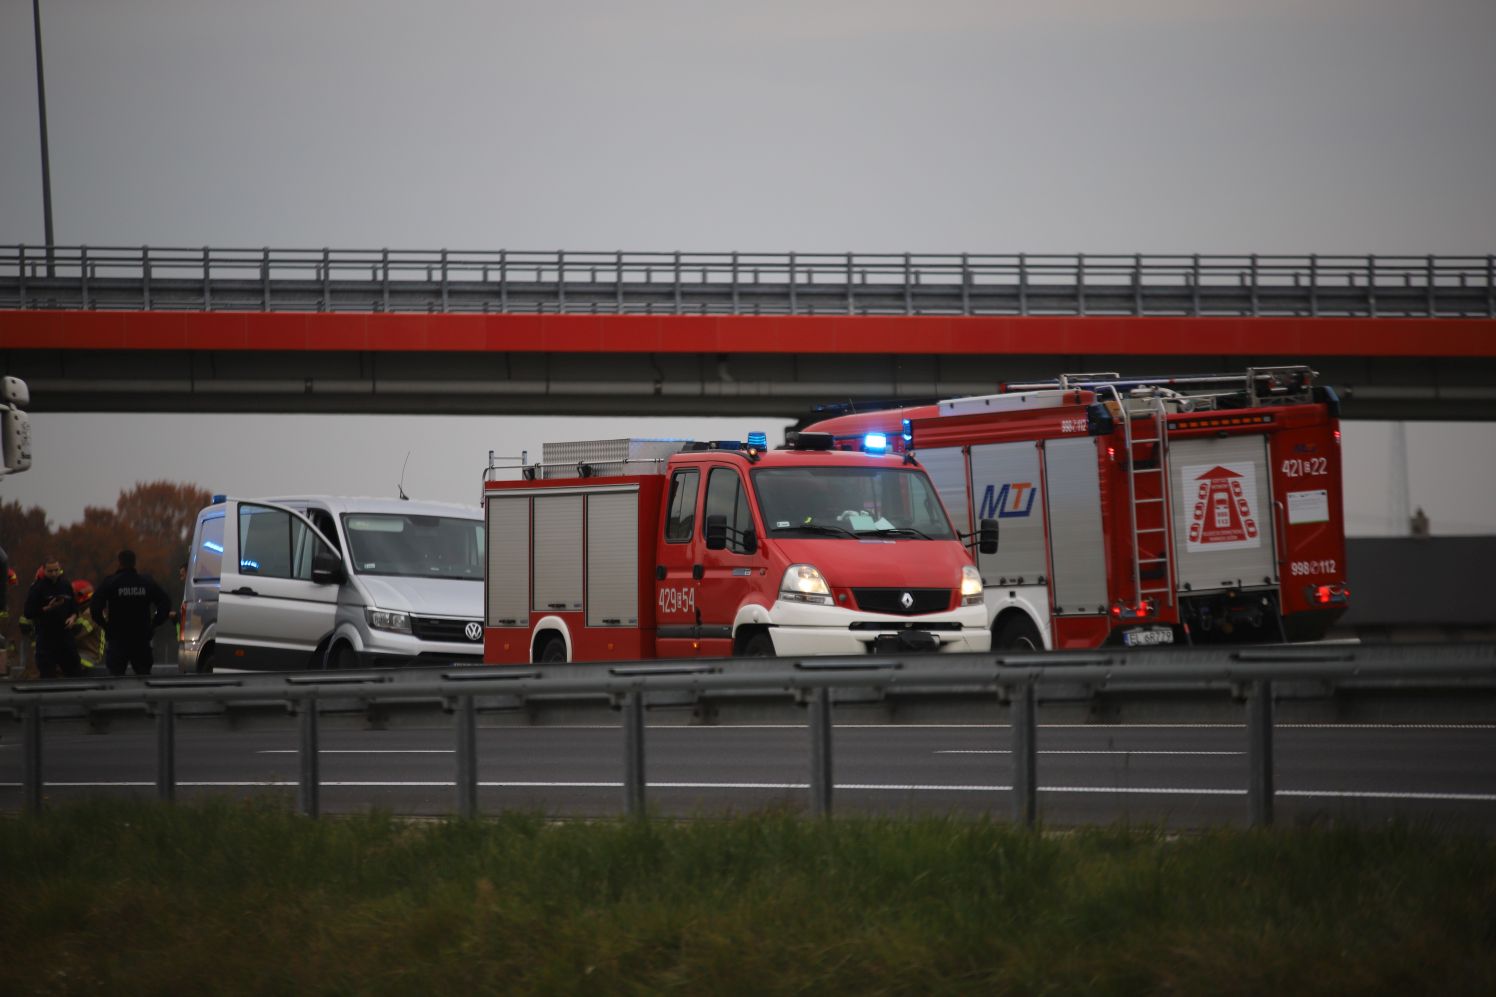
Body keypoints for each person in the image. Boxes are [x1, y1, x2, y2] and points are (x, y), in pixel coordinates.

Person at [92, 549, 171, 677]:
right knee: (144, 678)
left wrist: (106, 626)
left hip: (117, 639)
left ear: (119, 563)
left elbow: (95, 608)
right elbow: (165, 603)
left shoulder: (111, 582)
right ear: (134, 563)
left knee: (115, 680)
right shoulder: (146, 582)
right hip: (141, 639)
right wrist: (154, 624)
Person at [21, 556, 83, 679]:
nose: (54, 573)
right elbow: (28, 612)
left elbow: (74, 607)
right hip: (46, 638)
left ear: (60, 569)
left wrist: (73, 617)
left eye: (56, 570)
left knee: (74, 671)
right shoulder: (37, 588)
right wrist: (47, 608)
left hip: (65, 637)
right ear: (44, 571)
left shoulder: (65, 585)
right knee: (47, 673)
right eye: (50, 571)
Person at [70, 580, 107, 675]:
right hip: (80, 653)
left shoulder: (91, 613)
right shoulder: (83, 610)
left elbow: (77, 633)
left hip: (90, 656)